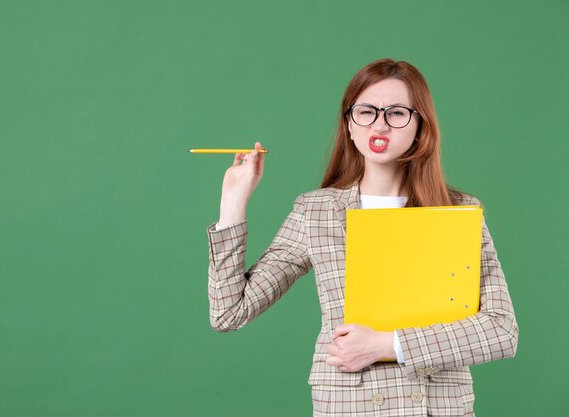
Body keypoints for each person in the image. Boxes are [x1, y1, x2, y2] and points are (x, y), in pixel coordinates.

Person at [206, 58, 518, 416]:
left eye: (397, 112)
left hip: (437, 407)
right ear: (349, 126)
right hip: (351, 405)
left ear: (420, 126)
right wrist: (233, 203)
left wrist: (388, 345)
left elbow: (501, 331)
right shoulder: (316, 212)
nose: (379, 124)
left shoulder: (460, 211)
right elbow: (229, 313)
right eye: (366, 111)